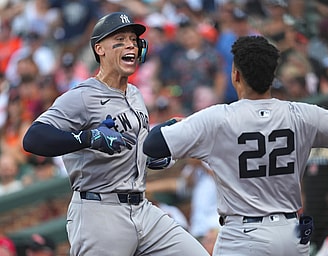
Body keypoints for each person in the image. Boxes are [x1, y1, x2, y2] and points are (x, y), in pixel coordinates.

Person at [143, 35, 328, 256]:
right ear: (272, 75)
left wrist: (176, 123)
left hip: (244, 235)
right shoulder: (301, 113)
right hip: (291, 234)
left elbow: (152, 145)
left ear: (236, 75)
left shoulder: (216, 118)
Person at [22, 12, 209, 256]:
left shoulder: (135, 94)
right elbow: (33, 138)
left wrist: (150, 157)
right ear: (99, 49)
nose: (130, 44)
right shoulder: (82, 96)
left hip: (142, 208)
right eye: (119, 40)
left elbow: (133, 148)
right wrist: (86, 138)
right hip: (99, 211)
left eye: (133, 40)